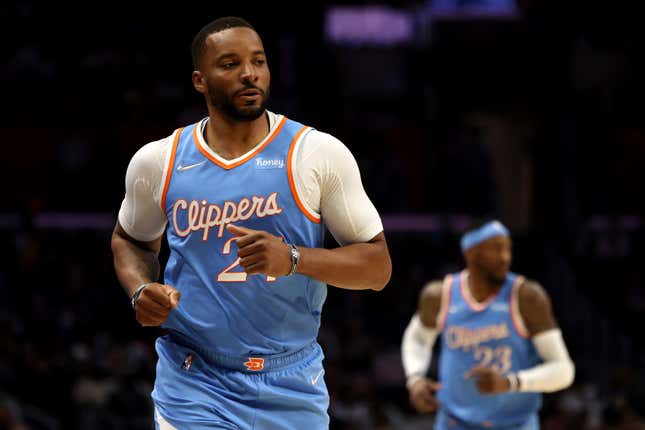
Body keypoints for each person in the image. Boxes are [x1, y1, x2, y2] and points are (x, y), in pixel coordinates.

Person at [111, 16, 392, 430]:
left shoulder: (316, 153)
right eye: (229, 64)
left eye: (258, 62)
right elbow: (130, 240)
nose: (249, 74)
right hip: (194, 378)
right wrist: (139, 288)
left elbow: (378, 268)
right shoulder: (158, 161)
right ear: (199, 81)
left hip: (291, 379)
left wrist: (294, 259)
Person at [401, 220, 575, 429]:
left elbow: (564, 370)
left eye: (508, 248)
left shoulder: (527, 296)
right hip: (454, 422)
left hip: (515, 424)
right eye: (495, 249)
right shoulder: (440, 295)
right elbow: (417, 340)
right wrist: (415, 379)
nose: (505, 257)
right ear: (471, 253)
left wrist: (510, 382)